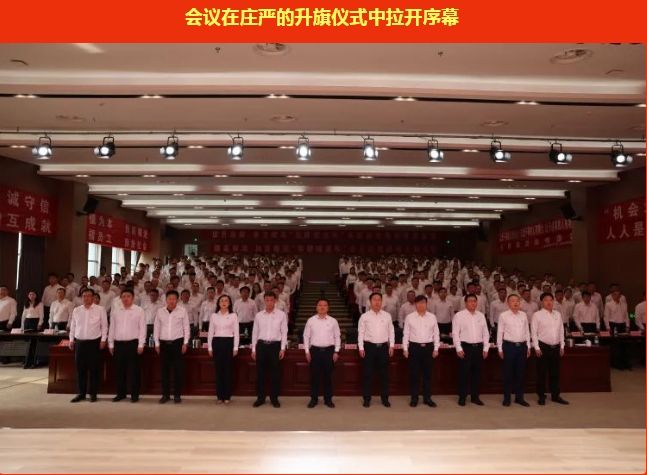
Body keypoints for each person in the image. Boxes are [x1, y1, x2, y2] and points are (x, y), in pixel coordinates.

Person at [68, 288, 108, 403]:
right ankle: (81, 393)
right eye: (84, 296)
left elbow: (104, 326)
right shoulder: (77, 310)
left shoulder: (100, 309)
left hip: (94, 343)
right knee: (80, 369)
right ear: (82, 297)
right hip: (80, 343)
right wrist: (71, 339)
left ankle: (93, 393)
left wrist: (103, 340)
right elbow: (73, 326)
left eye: (89, 296)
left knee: (94, 369)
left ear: (93, 297)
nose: (86, 298)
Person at [108, 289, 146, 403]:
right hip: (118, 344)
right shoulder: (116, 311)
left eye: (128, 296)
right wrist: (111, 344)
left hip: (133, 344)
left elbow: (142, 328)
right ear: (120, 298)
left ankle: (135, 394)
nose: (125, 298)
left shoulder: (139, 310)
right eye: (123, 296)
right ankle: (121, 393)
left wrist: (141, 344)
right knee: (119, 370)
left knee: (134, 371)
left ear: (133, 298)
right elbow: (112, 328)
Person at [251, 291, 288, 408]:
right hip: (261, 346)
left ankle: (274, 398)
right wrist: (253, 349)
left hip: (275, 346)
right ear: (264, 301)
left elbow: (284, 332)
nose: (269, 302)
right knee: (260, 373)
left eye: (271, 300)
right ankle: (260, 398)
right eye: (267, 300)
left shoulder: (281, 315)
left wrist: (282, 348)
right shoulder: (259, 315)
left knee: (275, 374)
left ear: (275, 301)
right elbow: (255, 333)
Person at [358, 292, 395, 408]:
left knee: (384, 375)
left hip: (383, 348)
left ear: (382, 302)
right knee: (368, 374)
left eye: (379, 299)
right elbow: (361, 333)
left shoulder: (387, 316)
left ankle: (385, 399)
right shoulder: (364, 316)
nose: (377, 302)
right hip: (369, 348)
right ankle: (367, 399)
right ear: (370, 302)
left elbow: (391, 331)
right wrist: (361, 347)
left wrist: (391, 345)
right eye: (374, 299)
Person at [452, 294, 489, 406]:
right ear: (465, 303)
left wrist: (486, 348)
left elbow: (485, 333)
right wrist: (458, 348)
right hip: (465, 347)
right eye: (470, 301)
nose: (473, 303)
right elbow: (455, 333)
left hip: (478, 348)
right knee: (464, 373)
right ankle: (462, 397)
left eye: (474, 301)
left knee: (476, 374)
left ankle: (475, 397)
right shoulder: (459, 315)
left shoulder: (481, 315)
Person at [154, 290, 190, 404]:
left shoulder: (182, 311)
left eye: (174, 299)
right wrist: (157, 343)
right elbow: (156, 328)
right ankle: (165, 395)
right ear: (166, 300)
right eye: (169, 299)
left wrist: (185, 343)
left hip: (177, 343)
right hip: (163, 344)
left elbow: (186, 327)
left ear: (177, 300)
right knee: (164, 371)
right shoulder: (160, 311)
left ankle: (177, 395)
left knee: (178, 371)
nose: (171, 301)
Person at [531, 293, 569, 405]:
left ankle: (555, 395)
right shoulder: (537, 315)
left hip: (556, 347)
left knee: (555, 373)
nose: (549, 302)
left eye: (551, 300)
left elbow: (561, 330)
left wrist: (562, 345)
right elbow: (533, 332)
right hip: (543, 347)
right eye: (546, 300)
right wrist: (536, 347)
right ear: (542, 302)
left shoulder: (557, 314)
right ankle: (541, 396)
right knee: (541, 373)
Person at [403, 295, 440, 407]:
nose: (421, 305)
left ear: (426, 304)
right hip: (414, 348)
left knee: (427, 375)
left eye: (423, 302)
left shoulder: (432, 317)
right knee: (415, 374)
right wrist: (405, 348)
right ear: (415, 304)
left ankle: (427, 398)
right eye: (419, 303)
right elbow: (406, 334)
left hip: (428, 348)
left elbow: (436, 334)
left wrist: (436, 348)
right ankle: (414, 398)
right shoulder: (410, 317)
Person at [303, 299, 341, 408]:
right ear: (316, 307)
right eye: (320, 305)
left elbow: (337, 337)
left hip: (329, 352)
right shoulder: (311, 321)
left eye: (325, 305)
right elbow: (306, 336)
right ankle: (313, 399)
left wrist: (336, 351)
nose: (322, 307)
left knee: (328, 377)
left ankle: (328, 399)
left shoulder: (333, 321)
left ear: (328, 308)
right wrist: (307, 351)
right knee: (314, 376)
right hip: (314, 351)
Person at [497, 294, 530, 407]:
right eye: (512, 301)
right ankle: (507, 398)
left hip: (522, 347)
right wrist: (500, 348)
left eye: (517, 301)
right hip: (509, 347)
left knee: (521, 373)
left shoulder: (524, 315)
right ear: (508, 303)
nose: (515, 303)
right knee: (508, 374)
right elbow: (500, 332)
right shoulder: (503, 316)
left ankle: (519, 398)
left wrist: (528, 346)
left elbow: (527, 331)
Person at [207, 294, 239, 404]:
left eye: (226, 301)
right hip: (217, 343)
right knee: (218, 370)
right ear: (218, 303)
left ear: (229, 303)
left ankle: (227, 396)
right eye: (221, 301)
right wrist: (210, 347)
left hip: (228, 343)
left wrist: (235, 347)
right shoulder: (214, 316)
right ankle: (219, 396)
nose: (224, 302)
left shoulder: (233, 316)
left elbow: (236, 333)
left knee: (227, 370)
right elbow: (210, 332)